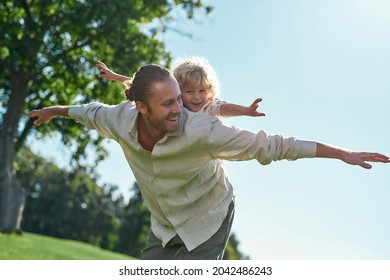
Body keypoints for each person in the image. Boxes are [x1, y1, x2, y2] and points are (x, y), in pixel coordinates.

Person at [28, 64, 389, 260]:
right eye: (170, 103)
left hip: (209, 215)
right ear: (140, 107)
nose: (179, 109)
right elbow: (87, 112)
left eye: (178, 100)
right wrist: (53, 111)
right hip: (165, 222)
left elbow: (276, 145)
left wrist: (342, 153)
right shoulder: (119, 119)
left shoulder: (204, 129)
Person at [96, 57, 265, 118]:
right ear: (178, 91)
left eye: (202, 91)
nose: (197, 97)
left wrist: (246, 111)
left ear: (210, 91)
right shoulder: (178, 104)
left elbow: (225, 108)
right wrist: (114, 76)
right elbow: (144, 87)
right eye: (189, 91)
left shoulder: (208, 106)